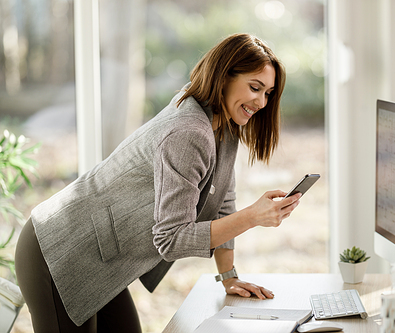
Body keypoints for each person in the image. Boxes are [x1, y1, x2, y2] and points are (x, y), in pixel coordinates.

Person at [15, 33, 301, 332]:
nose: (261, 101)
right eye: (255, 88)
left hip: (101, 259)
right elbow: (172, 238)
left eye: (268, 93)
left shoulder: (223, 127)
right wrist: (253, 217)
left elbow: (223, 205)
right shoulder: (189, 131)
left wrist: (229, 277)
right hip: (60, 249)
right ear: (223, 76)